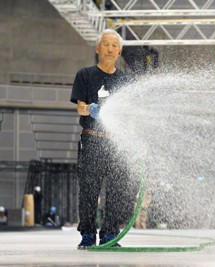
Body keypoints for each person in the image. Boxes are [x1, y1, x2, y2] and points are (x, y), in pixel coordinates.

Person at [70, 29, 132, 250]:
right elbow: (79, 107)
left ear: (120, 51)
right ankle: (87, 234)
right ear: (97, 49)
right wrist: (89, 108)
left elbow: (129, 115)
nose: (110, 49)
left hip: (115, 144)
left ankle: (109, 234)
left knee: (116, 191)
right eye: (105, 44)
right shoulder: (85, 75)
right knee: (89, 189)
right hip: (92, 141)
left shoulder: (125, 80)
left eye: (114, 45)